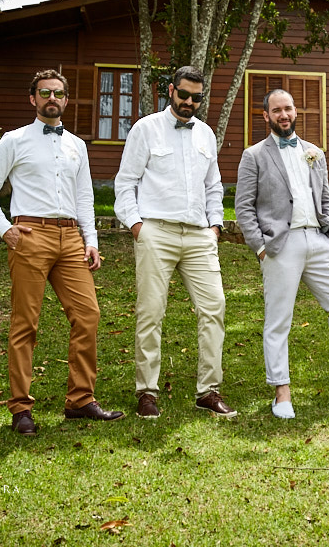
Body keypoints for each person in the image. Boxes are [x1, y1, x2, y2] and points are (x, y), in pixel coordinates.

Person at [0, 69, 124, 436]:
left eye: (58, 93)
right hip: (30, 236)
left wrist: (91, 241)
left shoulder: (78, 144)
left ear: (66, 99)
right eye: (44, 92)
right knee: (25, 323)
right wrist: (5, 229)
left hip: (71, 237)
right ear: (33, 99)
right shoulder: (14, 140)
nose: (51, 98)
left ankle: (80, 400)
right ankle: (21, 409)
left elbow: (85, 197)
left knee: (88, 315)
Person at [235, 89, 329, 419]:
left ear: (296, 112)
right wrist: (262, 247)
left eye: (288, 109)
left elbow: (325, 198)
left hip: (320, 241)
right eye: (276, 110)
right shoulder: (253, 156)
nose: (284, 115)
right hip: (281, 245)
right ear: (265, 116)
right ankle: (281, 392)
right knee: (279, 318)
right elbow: (243, 207)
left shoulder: (314, 153)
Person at [113, 65, 237, 419]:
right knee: (151, 312)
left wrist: (215, 226)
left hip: (199, 236)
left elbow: (214, 185)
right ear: (170, 90)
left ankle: (208, 391)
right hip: (157, 231)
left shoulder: (206, 134)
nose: (189, 102)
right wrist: (137, 226)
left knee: (214, 308)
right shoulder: (146, 129)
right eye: (183, 94)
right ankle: (146, 391)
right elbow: (125, 183)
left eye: (196, 98)